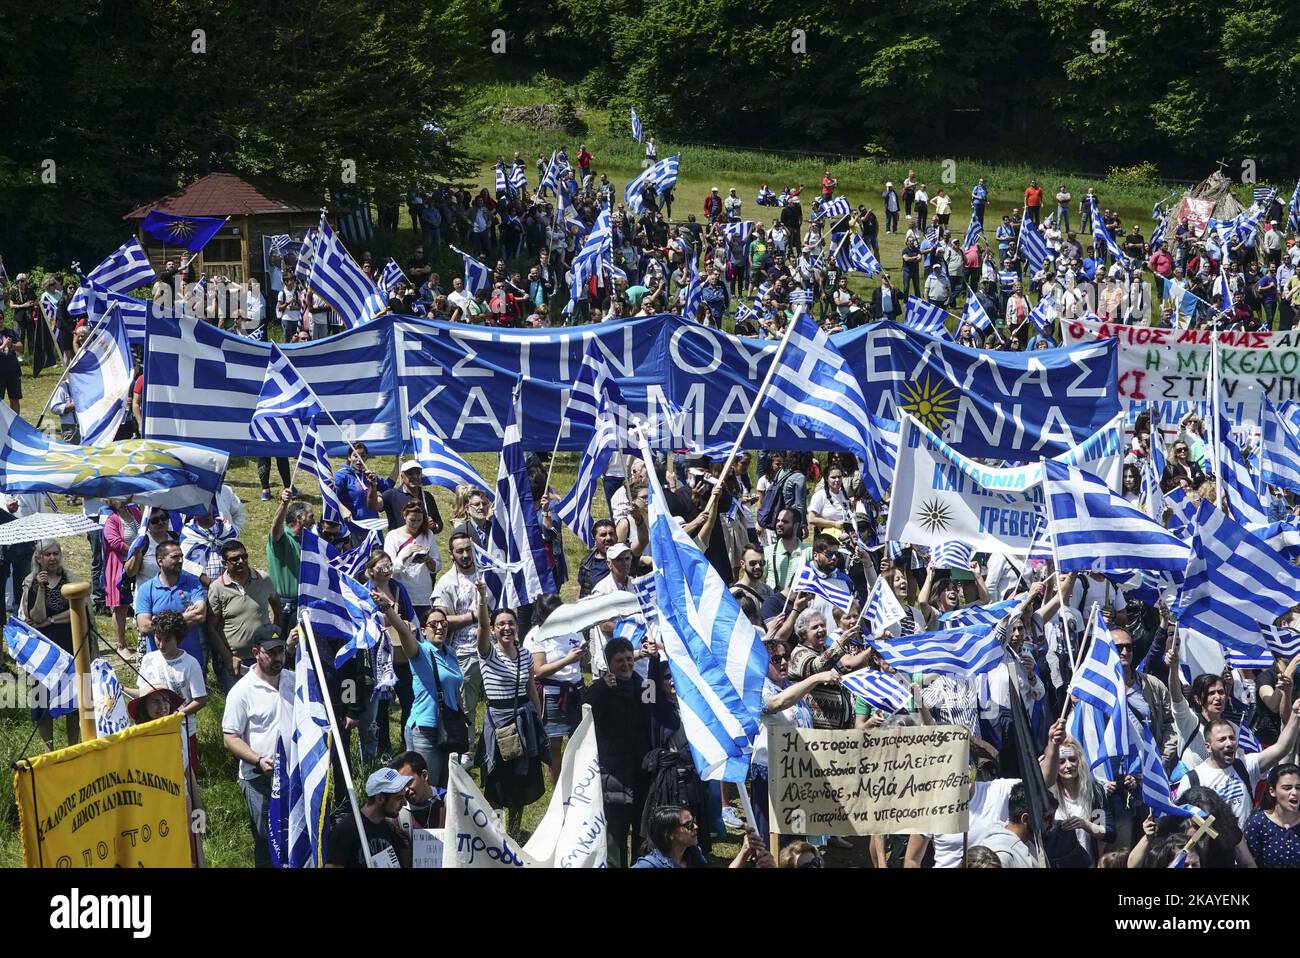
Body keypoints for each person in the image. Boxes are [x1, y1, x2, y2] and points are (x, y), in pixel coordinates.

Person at [473, 580, 547, 838]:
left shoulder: (525, 654)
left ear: (517, 627)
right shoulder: (487, 653)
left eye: (511, 623)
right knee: (495, 781)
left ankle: (514, 833)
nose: (506, 627)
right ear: (493, 630)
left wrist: (538, 721)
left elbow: (530, 689)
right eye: (501, 624)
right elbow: (481, 625)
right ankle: (494, 836)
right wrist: (482, 596)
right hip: (498, 722)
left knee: (520, 780)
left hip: (523, 719)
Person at [585, 636, 662, 867]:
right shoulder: (600, 689)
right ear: (609, 663)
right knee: (614, 837)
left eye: (629, 659)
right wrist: (601, 687)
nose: (626, 664)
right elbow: (585, 709)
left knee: (641, 833)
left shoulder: (643, 685)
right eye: (620, 660)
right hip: (613, 775)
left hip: (640, 772)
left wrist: (656, 662)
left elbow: (655, 709)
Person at [221, 625, 293, 868]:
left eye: (281, 651)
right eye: (270, 653)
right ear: (255, 651)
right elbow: (230, 737)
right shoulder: (241, 691)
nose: (277, 658)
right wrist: (257, 759)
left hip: (293, 773)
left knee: (292, 833)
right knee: (267, 838)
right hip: (258, 776)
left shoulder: (294, 681)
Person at [1175, 703, 1300, 830]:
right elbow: (1178, 820)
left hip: (1247, 844)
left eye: (1232, 738)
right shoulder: (1192, 779)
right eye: (1222, 739)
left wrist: (1295, 714)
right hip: (1216, 848)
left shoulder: (1245, 765)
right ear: (1208, 747)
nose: (1229, 743)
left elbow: (1281, 748)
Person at [394, 605, 465, 793]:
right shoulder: (420, 652)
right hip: (425, 729)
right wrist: (388, 610)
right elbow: (402, 631)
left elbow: (455, 687)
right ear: (424, 631)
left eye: (443, 623)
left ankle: (441, 822)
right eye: (433, 624)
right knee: (425, 788)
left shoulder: (450, 653)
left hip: (449, 728)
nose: (440, 628)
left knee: (446, 787)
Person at [19, 540, 79, 749]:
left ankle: (74, 746)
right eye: (47, 554)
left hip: (69, 645)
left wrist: (52, 620)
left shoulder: (70, 579)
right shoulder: (31, 581)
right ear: (39, 558)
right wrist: (41, 588)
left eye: (56, 553)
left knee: (74, 702)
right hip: (43, 651)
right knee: (43, 702)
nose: (52, 558)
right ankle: (49, 749)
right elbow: (35, 616)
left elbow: (78, 612)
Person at [133, 610, 207, 771]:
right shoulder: (149, 659)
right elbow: (142, 692)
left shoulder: (190, 663)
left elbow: (200, 699)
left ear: (177, 638)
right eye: (158, 638)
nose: (161, 644)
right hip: (155, 729)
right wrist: (121, 688)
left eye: (167, 640)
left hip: (184, 729)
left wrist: (179, 714)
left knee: (187, 774)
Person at [204, 540, 281, 695]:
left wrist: (275, 635)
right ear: (224, 563)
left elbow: (276, 605)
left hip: (263, 655)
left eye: (243, 557)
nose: (241, 561)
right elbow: (210, 627)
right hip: (236, 661)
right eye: (234, 559)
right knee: (238, 707)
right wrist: (227, 657)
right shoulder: (217, 588)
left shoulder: (263, 579)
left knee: (267, 701)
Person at [526, 593, 588, 784]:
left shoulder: (573, 629)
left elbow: (584, 662)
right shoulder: (536, 635)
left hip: (577, 690)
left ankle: (581, 782)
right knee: (554, 744)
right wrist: (568, 659)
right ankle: (559, 788)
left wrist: (585, 655)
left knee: (581, 741)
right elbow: (538, 670)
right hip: (553, 694)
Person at [434, 531, 487, 739]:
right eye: (460, 551)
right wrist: (475, 616)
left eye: (468, 549)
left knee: (500, 703)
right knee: (466, 706)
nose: (465, 555)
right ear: (451, 554)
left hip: (493, 650)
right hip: (464, 653)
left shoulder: (487, 574)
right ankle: (466, 750)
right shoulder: (446, 583)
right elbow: (442, 620)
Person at [134, 540, 208, 668]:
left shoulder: (193, 583)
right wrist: (184, 617)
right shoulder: (146, 589)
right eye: (175, 557)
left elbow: (200, 615)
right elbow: (145, 627)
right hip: (159, 663)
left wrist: (157, 621)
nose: (180, 560)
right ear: (160, 561)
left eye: (181, 556)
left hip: (190, 659)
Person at [632, 805, 773, 868]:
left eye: (694, 822)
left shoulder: (693, 854)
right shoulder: (649, 865)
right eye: (688, 825)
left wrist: (744, 852)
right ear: (670, 835)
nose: (695, 827)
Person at [325, 767, 412, 868]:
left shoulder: (389, 829)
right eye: (399, 797)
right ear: (380, 798)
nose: (405, 803)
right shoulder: (346, 830)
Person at [383, 501, 441, 622]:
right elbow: (387, 568)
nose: (416, 524)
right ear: (404, 516)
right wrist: (405, 554)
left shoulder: (428, 534)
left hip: (423, 595)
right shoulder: (392, 536)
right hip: (401, 594)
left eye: (419, 520)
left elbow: (437, 565)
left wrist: (428, 560)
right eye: (412, 520)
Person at [977, 781, 1052, 868]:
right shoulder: (1002, 857)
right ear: (1025, 819)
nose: (1052, 823)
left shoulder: (1028, 840)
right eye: (1047, 818)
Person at [267, 490, 312, 631]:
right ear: (300, 518)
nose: (314, 521)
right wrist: (284, 504)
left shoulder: (305, 540)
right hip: (283, 607)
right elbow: (275, 528)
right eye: (311, 516)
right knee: (280, 645)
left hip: (302, 605)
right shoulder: (283, 539)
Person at [1244, 763, 1300, 868]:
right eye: (1287, 788)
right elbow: (1247, 862)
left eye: (1298, 787)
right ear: (1272, 791)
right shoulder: (1257, 823)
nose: (1294, 792)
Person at [381, 459, 445, 533]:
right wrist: (372, 487)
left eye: (418, 473)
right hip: (401, 542)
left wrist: (434, 526)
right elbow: (374, 505)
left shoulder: (427, 497)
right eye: (410, 473)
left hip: (423, 542)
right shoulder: (392, 495)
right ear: (402, 477)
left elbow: (439, 524)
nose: (415, 476)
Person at [390, 751, 441, 836]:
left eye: (409, 782)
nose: (405, 790)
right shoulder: (397, 816)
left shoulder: (449, 803)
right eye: (400, 786)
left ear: (424, 775)